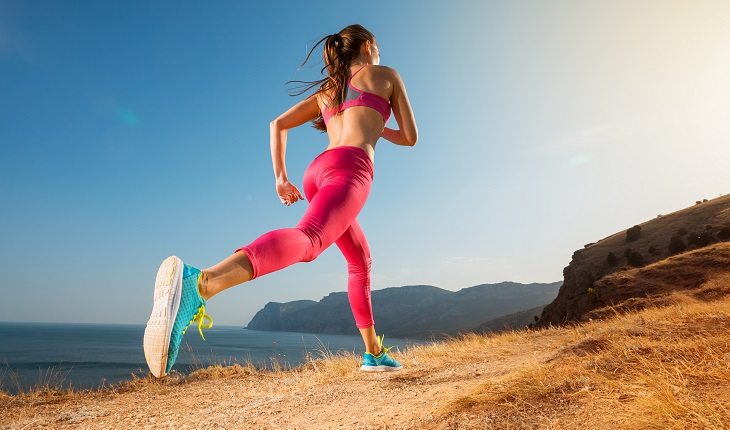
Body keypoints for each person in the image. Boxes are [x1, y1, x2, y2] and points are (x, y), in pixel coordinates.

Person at [143, 23, 418, 378]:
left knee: (360, 259)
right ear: (366, 47)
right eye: (377, 46)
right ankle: (201, 283)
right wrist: (378, 124)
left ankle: (374, 353)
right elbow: (410, 137)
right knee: (310, 241)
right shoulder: (386, 75)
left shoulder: (329, 90)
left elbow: (277, 124)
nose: (379, 52)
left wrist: (281, 178)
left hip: (318, 172)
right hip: (351, 170)